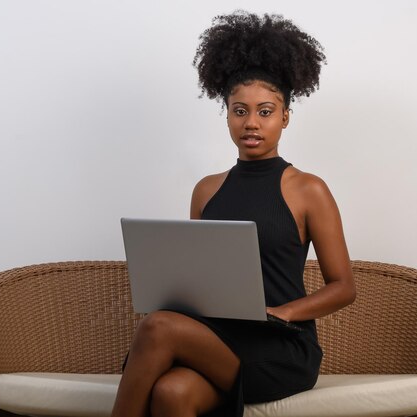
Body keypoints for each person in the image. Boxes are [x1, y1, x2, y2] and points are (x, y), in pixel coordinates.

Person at [111, 11, 355, 417]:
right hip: (216, 336)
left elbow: (344, 287)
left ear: (285, 117)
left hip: (280, 345)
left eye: (265, 111)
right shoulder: (206, 190)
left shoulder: (309, 189)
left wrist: (282, 312)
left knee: (158, 326)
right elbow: (195, 277)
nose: (251, 123)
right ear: (226, 115)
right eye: (239, 111)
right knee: (171, 393)